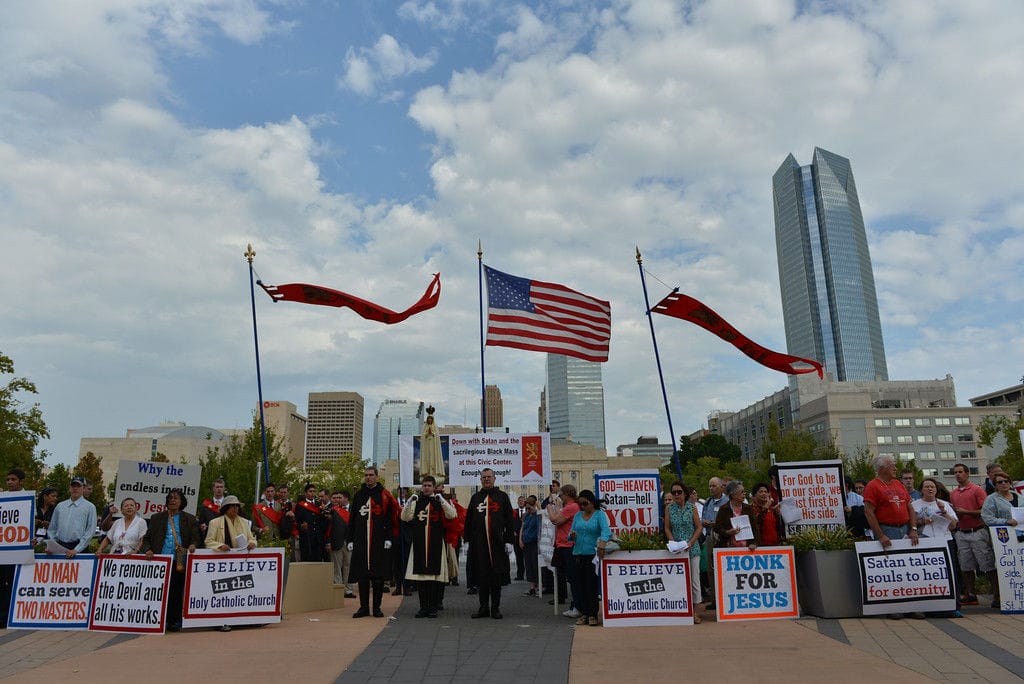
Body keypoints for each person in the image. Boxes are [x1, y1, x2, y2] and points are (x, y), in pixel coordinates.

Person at [142, 489, 200, 632]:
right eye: (170, 498)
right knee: (159, 590)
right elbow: (147, 539)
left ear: (182, 502)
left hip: (179, 559)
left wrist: (193, 545)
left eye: (176, 498)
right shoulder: (157, 518)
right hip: (160, 560)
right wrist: (147, 549)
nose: (172, 500)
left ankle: (174, 621)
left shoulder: (190, 519)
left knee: (176, 590)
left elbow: (196, 537)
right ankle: (159, 618)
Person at [401, 475, 457, 618]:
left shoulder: (439, 501)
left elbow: (452, 515)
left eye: (429, 485)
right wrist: (408, 502)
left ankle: (433, 607)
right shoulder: (416, 501)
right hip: (419, 543)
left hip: (436, 543)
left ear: (433, 487)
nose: (426, 488)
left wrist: (442, 500)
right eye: (424, 485)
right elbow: (405, 517)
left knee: (433, 578)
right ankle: (422, 607)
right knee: (421, 578)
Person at [347, 466, 398, 618]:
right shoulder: (359, 496)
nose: (368, 477)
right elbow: (353, 520)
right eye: (366, 475)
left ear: (377, 476)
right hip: (361, 540)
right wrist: (350, 539)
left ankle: (376, 608)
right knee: (362, 576)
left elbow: (389, 518)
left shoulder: (384, 495)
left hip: (378, 541)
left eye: (371, 475)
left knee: (377, 577)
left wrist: (388, 538)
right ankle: (363, 607)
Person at [464, 468, 515, 619]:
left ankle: (495, 607)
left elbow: (509, 520)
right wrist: (467, 541)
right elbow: (468, 521)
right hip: (479, 544)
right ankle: (483, 607)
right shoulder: (475, 498)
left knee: (496, 577)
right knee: (482, 576)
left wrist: (509, 541)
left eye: (489, 477)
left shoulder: (502, 497)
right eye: (484, 477)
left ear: (494, 478)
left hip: (497, 543)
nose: (486, 479)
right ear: (480, 480)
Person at [913, 477, 961, 617]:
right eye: (927, 486)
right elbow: (911, 524)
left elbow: (953, 526)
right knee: (928, 574)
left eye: (932, 487)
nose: (930, 489)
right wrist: (923, 521)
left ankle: (952, 606)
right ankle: (928, 605)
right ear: (921, 489)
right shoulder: (914, 505)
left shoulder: (944, 504)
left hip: (945, 541)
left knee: (949, 573)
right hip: (925, 542)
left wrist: (944, 512)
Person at [949, 462, 994, 607]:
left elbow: (985, 511)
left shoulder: (977, 490)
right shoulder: (953, 493)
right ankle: (971, 594)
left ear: (967, 473)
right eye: (955, 472)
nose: (958, 474)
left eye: (960, 471)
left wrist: (966, 512)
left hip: (977, 531)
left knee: (987, 564)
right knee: (966, 566)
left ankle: (997, 594)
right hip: (961, 532)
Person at [569, 490, 611, 627]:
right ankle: (584, 613)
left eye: (585, 504)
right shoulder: (577, 515)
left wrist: (602, 544)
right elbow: (571, 533)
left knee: (591, 585)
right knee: (579, 586)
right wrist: (572, 536)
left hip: (592, 555)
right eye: (580, 504)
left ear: (592, 502)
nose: (582, 507)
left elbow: (606, 531)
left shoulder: (600, 515)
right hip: (578, 554)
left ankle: (593, 614)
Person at [664, 481, 702, 622]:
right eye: (674, 492)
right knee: (678, 581)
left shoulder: (692, 508)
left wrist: (691, 542)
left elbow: (699, 527)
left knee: (694, 581)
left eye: (679, 492)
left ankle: (696, 612)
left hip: (692, 548)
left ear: (685, 493)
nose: (676, 495)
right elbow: (667, 527)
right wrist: (673, 542)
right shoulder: (669, 508)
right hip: (677, 550)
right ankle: (681, 609)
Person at [982, 472, 1020, 612]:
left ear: (1010, 482)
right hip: (1003, 539)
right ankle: (1003, 597)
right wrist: (1005, 521)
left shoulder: (1019, 496)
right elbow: (987, 518)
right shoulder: (992, 499)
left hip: (1021, 536)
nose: (1003, 484)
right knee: (1005, 568)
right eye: (999, 482)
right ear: (995, 485)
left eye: (1006, 481)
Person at [548, 484, 581, 618]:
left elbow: (555, 520)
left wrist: (549, 508)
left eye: (561, 495)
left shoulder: (571, 507)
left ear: (567, 494)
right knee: (571, 577)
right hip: (565, 545)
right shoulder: (571, 507)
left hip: (568, 546)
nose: (560, 497)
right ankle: (575, 605)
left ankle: (577, 606)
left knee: (573, 578)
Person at [0, 468, 27, 628]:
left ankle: (7, 616)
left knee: (12, 583)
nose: (10, 482)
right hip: (4, 547)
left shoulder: (28, 498)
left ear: (21, 481)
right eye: (8, 479)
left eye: (13, 479)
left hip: (18, 549)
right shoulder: (3, 498)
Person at [47, 476, 98, 558]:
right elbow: (52, 528)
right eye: (73, 486)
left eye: (78, 486)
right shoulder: (60, 506)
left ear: (83, 488)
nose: (75, 488)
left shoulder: (90, 507)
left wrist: (77, 549)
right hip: (60, 547)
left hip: (79, 549)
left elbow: (90, 531)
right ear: (69, 488)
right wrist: (53, 546)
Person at [701, 476, 729, 608]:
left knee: (722, 568)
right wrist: (705, 522)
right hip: (709, 536)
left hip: (721, 537)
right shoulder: (708, 502)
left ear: (721, 487)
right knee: (710, 569)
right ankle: (715, 599)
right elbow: (703, 518)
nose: (711, 488)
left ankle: (725, 597)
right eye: (710, 486)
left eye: (714, 486)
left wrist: (715, 524)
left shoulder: (726, 501)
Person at [326, 491, 356, 598]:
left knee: (348, 566)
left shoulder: (353, 509)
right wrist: (328, 541)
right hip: (336, 541)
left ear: (346, 499)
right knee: (337, 567)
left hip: (349, 542)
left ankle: (348, 590)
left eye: (340, 497)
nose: (337, 499)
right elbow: (328, 528)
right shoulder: (333, 510)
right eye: (336, 497)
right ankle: (338, 589)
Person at [715, 481, 757, 551]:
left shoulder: (748, 508)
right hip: (728, 548)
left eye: (744, 492)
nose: (744, 494)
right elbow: (717, 528)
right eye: (742, 492)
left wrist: (753, 543)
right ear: (733, 495)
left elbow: (755, 528)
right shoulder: (723, 509)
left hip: (748, 548)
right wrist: (727, 532)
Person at [295, 483, 326, 563]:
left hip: (318, 539)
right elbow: (296, 522)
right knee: (307, 562)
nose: (312, 493)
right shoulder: (300, 505)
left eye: (314, 491)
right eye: (310, 491)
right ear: (305, 493)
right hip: (306, 539)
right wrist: (301, 526)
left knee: (318, 563)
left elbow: (323, 521)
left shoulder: (319, 505)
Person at [750, 482, 784, 547]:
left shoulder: (772, 509)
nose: (764, 494)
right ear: (754, 495)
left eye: (766, 492)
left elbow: (777, 528)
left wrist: (778, 515)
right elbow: (757, 522)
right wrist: (766, 507)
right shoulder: (751, 509)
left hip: (775, 545)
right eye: (761, 492)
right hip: (759, 546)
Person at [520, 496, 541, 597]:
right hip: (526, 542)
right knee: (528, 565)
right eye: (526, 508)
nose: (528, 510)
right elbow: (522, 528)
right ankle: (531, 587)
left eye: (529, 508)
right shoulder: (526, 515)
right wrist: (520, 539)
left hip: (535, 543)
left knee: (535, 564)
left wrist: (538, 508)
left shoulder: (538, 515)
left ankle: (538, 586)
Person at [419, 407, 446, 484]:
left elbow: (437, 437)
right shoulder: (424, 427)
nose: (430, 420)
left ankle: (435, 473)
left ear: (432, 420)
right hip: (427, 446)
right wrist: (427, 434)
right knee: (427, 459)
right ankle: (427, 473)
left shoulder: (435, 427)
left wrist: (433, 433)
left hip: (434, 447)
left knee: (433, 459)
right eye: (429, 419)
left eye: (431, 419)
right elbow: (423, 436)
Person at [197, 477, 227, 542]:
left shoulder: (229, 505)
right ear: (213, 488)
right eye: (217, 487)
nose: (219, 489)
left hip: (226, 538)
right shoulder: (205, 505)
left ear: (224, 489)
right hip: (210, 538)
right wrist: (201, 526)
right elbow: (201, 522)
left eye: (221, 487)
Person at [512, 495, 527, 581]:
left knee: (527, 557)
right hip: (516, 538)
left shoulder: (528, 512)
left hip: (526, 538)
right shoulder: (514, 512)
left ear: (525, 502)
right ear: (517, 502)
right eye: (519, 501)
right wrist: (512, 531)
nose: (521, 502)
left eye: (522, 500)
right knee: (519, 557)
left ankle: (529, 575)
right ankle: (520, 575)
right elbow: (510, 523)